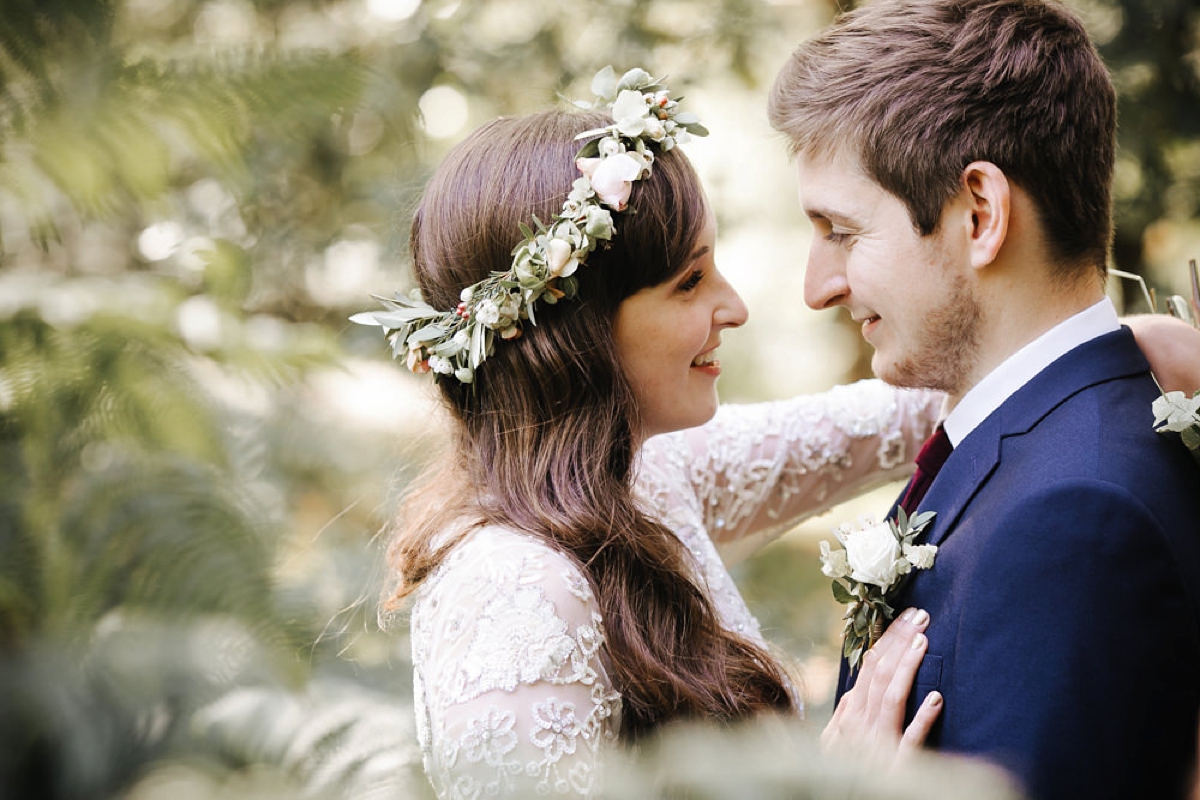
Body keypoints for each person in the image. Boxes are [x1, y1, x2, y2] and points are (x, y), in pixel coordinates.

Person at [354, 71, 949, 798]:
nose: (735, 308)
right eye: (690, 282)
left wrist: (1106, 346)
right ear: (583, 332)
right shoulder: (512, 588)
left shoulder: (648, 474)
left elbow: (887, 420)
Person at [768, 1, 1200, 798]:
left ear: (980, 213)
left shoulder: (1075, 518)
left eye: (841, 230)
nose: (816, 287)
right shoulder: (1046, 444)